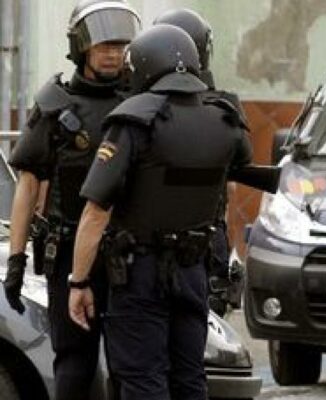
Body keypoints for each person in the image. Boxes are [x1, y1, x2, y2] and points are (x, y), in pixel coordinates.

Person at [67, 24, 252, 399]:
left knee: (141, 379)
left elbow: (96, 212)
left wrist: (78, 282)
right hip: (192, 271)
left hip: (140, 274)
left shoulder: (134, 120)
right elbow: (235, 174)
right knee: (189, 378)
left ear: (144, 67)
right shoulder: (226, 119)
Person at [2, 1, 139, 399]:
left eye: (119, 45)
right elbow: (28, 186)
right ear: (82, 48)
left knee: (131, 367)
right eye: (103, 46)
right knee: (74, 365)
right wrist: (16, 258)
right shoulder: (54, 105)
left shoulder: (143, 104)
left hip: (132, 256)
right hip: (68, 256)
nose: (113, 53)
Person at [153, 7, 243, 316]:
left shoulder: (143, 107)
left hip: (152, 240)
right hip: (205, 233)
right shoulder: (223, 106)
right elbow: (232, 182)